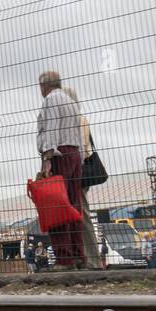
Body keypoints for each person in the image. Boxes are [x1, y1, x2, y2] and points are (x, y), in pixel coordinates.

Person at [36, 70, 85, 270]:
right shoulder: (70, 101)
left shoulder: (51, 100)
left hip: (59, 155)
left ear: (44, 86)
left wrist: (47, 158)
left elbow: (51, 128)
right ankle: (78, 255)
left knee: (55, 205)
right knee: (74, 204)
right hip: (74, 153)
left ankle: (64, 259)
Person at [64, 87, 103, 269]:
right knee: (79, 214)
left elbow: (79, 148)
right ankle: (85, 258)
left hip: (76, 172)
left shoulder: (76, 120)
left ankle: (92, 260)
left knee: (82, 214)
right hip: (77, 172)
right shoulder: (79, 118)